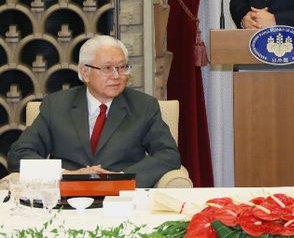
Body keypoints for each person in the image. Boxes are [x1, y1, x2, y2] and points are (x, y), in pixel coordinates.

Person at [7, 35, 181, 188]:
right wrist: (64, 174)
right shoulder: (56, 105)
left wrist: (122, 178)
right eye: (107, 68)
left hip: (122, 200)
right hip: (67, 198)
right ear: (85, 72)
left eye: (122, 67)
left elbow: (168, 154)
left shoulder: (143, 106)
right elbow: (19, 154)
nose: (117, 75)